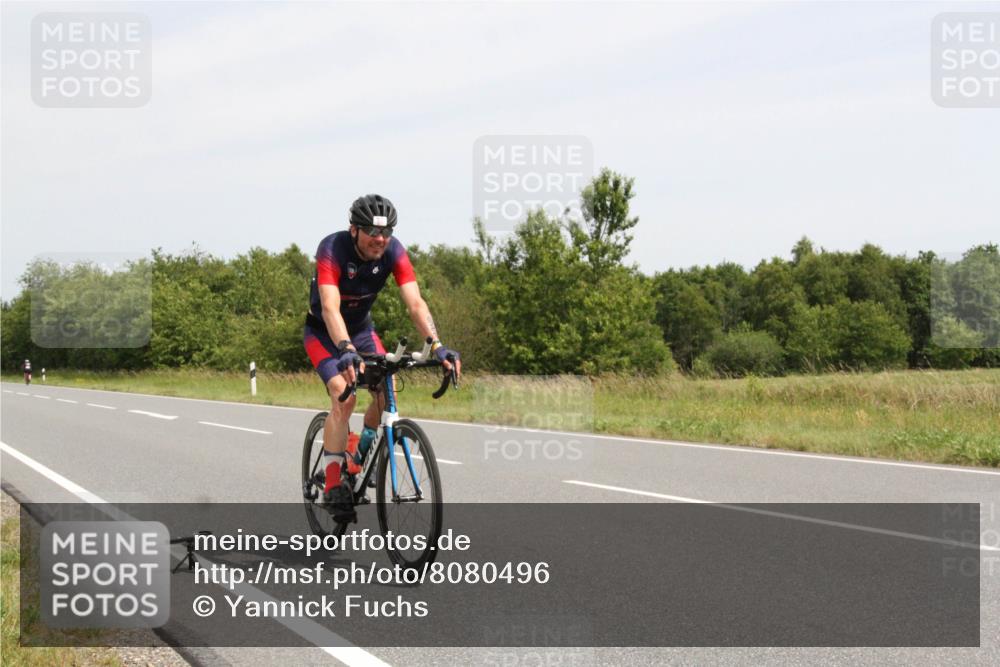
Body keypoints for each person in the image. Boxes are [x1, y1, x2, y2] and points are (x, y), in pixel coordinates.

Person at [303, 194, 460, 522]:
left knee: (385, 392)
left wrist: (437, 346)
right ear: (354, 230)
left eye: (387, 233)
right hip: (324, 332)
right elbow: (330, 307)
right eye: (372, 233)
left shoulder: (394, 251)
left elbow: (415, 303)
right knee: (343, 397)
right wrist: (345, 349)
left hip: (361, 330)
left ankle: (359, 452)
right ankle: (333, 483)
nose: (380, 240)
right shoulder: (332, 249)